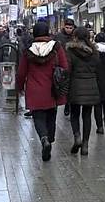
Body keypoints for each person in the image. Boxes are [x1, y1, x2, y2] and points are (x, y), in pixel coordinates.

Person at [17, 22, 69, 162]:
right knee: (51, 115)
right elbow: (64, 66)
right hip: (52, 89)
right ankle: (50, 139)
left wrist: (20, 87)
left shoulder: (28, 51)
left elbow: (21, 72)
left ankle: (44, 138)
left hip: (34, 89)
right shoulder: (56, 48)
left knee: (38, 117)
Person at [66, 26, 100, 156]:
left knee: (75, 114)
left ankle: (77, 137)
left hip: (75, 85)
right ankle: (85, 144)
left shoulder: (70, 51)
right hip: (91, 84)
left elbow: (67, 69)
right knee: (87, 115)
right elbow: (98, 67)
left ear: (75, 37)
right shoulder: (94, 52)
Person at [54, 19, 76, 116]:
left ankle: (68, 105)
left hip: (73, 65)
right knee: (62, 86)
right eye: (67, 28)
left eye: (70, 28)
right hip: (61, 66)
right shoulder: (58, 37)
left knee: (70, 87)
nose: (68, 30)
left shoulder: (75, 37)